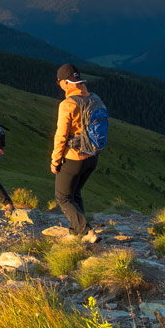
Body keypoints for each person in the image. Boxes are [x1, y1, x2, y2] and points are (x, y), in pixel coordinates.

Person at [51, 63, 101, 242]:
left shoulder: (68, 104)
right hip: (92, 156)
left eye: (60, 83)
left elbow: (61, 135)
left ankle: (86, 232)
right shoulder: (94, 99)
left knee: (63, 197)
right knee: (75, 192)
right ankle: (75, 232)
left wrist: (55, 160)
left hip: (74, 158)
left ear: (65, 83)